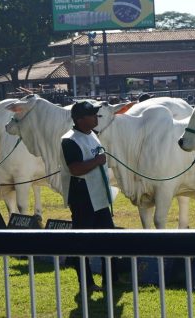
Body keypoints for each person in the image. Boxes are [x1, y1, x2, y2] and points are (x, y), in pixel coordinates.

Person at [60, 100, 115, 297]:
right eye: (92, 115)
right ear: (79, 119)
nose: (95, 117)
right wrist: (97, 161)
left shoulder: (92, 134)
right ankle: (87, 283)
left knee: (108, 240)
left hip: (99, 195)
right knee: (82, 242)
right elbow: (74, 168)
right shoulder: (69, 140)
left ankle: (110, 281)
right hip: (82, 197)